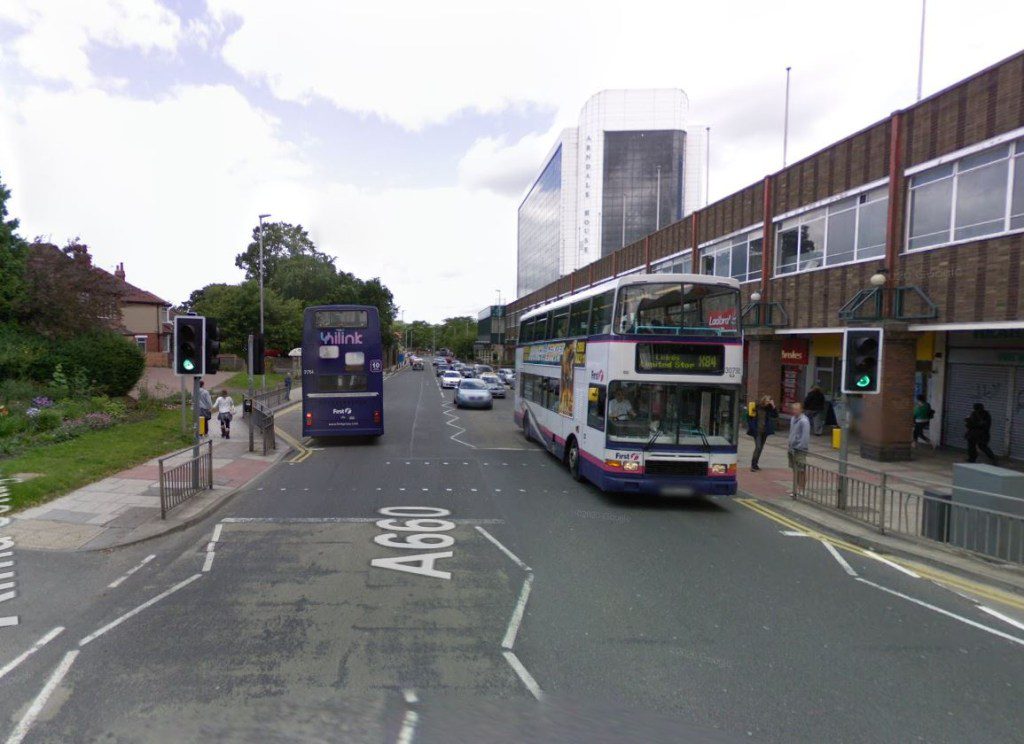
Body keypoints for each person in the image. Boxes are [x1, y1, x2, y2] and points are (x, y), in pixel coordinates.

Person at [748, 395, 778, 471]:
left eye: (769, 401)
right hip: (757, 431)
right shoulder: (757, 407)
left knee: (760, 448)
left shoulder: (769, 409)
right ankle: (753, 464)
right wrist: (752, 427)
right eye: (767, 401)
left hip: (764, 431)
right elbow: (750, 417)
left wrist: (773, 405)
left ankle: (756, 464)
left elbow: (775, 416)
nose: (768, 402)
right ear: (763, 400)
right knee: (758, 447)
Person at [788, 402, 810, 494]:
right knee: (795, 469)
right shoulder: (793, 418)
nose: (795, 411)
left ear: (801, 410)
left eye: (797, 409)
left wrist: (800, 447)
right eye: (793, 409)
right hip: (792, 448)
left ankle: (802, 489)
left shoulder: (804, 421)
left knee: (801, 470)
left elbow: (805, 436)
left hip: (799, 450)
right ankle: (795, 488)